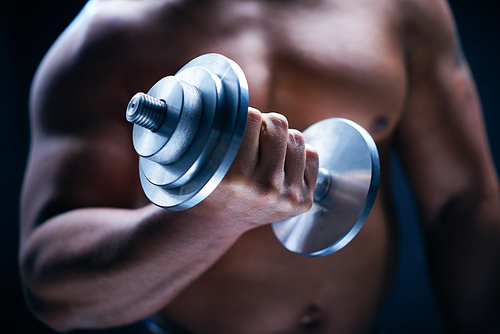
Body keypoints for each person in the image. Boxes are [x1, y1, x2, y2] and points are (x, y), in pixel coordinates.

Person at [19, 0, 500, 333]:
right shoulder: (102, 38)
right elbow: (51, 287)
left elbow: (464, 206)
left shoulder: (400, 9)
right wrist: (213, 217)